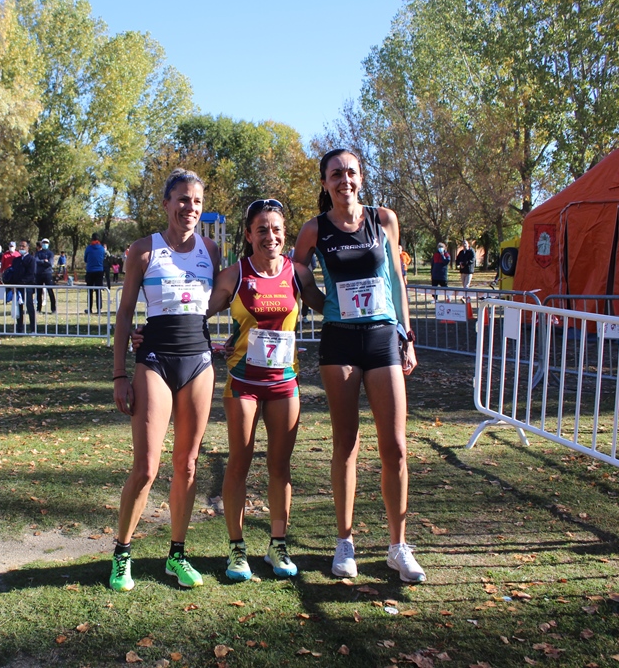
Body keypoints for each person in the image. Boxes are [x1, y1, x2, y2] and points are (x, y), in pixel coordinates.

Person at [292, 149, 425, 584]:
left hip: (384, 336)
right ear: (325, 182)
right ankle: (344, 542)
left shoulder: (384, 219)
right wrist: (320, 301)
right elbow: (298, 275)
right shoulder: (314, 229)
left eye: (350, 172)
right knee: (346, 443)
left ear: (361, 178)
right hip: (340, 340)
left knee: (396, 447)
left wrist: (406, 334)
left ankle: (398, 546)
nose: (343, 180)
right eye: (335, 174)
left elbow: (397, 281)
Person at [109, 168, 220, 592]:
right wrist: (120, 374)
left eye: (196, 201)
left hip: (199, 362)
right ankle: (122, 552)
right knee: (147, 467)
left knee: (187, 465)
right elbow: (124, 315)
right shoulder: (143, 250)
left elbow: (227, 299)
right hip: (154, 360)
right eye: (182, 200)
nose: (189, 207)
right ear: (166, 203)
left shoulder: (210, 249)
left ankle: (177, 554)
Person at [213, 199, 324, 581]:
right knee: (239, 463)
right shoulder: (234, 274)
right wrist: (152, 331)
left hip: (283, 383)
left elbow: (329, 307)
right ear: (248, 234)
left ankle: (278, 545)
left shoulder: (298, 273)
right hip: (243, 382)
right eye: (261, 229)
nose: (270, 236)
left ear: (285, 233)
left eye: (276, 229)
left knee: (280, 466)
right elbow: (196, 312)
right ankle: (237, 549)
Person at [12, 240, 36, 333]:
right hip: (17, 287)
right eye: (20, 246)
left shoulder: (31, 259)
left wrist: (22, 282)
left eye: (23, 246)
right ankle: (20, 328)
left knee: (29, 307)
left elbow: (31, 274)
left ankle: (33, 329)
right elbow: (14, 272)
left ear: (28, 248)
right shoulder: (16, 260)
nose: (21, 248)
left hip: (27, 287)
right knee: (19, 307)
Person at [84, 232, 106, 314]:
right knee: (98, 290)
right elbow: (103, 257)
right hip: (99, 271)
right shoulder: (101, 248)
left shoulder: (88, 248)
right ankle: (99, 309)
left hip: (90, 271)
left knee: (89, 291)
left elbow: (85, 259)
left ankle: (89, 308)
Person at [34, 238, 56, 313]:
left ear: (48, 244)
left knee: (50, 291)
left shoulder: (50, 253)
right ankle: (38, 309)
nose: (45, 244)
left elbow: (50, 263)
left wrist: (43, 262)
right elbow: (36, 261)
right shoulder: (38, 253)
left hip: (48, 274)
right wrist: (44, 261)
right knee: (39, 292)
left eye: (46, 243)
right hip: (39, 274)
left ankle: (53, 309)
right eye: (43, 243)